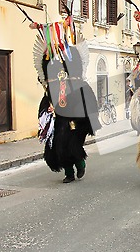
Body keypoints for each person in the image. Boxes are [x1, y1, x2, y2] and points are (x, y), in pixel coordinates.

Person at [39, 46, 101, 183]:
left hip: (76, 121)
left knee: (73, 146)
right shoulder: (54, 86)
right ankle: (69, 173)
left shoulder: (79, 84)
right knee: (59, 147)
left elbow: (88, 102)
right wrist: (48, 108)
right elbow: (48, 100)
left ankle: (80, 164)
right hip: (59, 121)